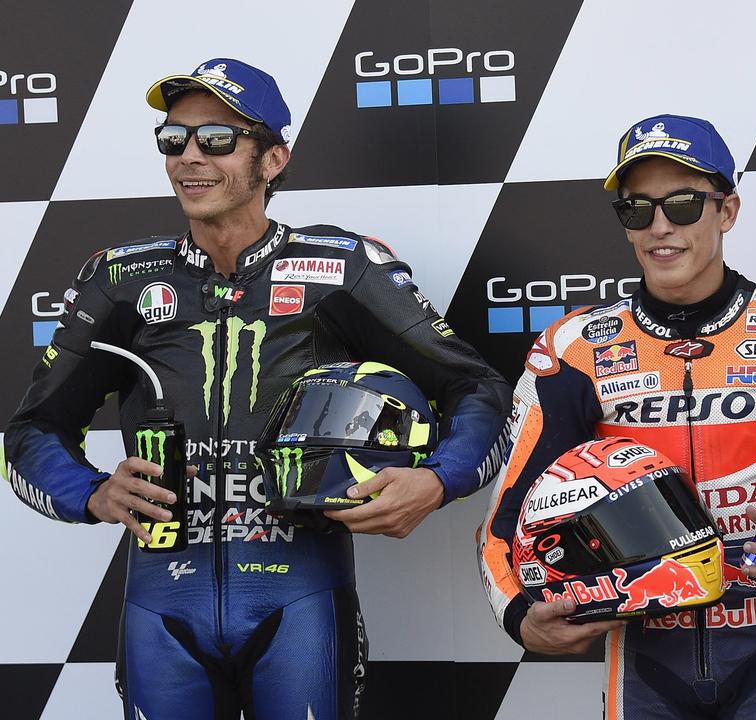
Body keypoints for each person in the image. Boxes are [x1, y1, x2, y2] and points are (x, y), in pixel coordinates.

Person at [4, 58, 511, 719]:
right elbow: (31, 431)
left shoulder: (341, 269)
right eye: (173, 139)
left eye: (216, 139)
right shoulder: (120, 279)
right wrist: (92, 492)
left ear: (273, 159)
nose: (190, 157)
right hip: (161, 606)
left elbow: (477, 387)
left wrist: (438, 480)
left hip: (301, 604)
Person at [477, 113, 756, 718]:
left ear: (727, 210)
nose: (660, 228)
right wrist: (519, 613)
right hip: (641, 650)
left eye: (683, 205)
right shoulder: (575, 348)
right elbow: (506, 521)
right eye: (637, 210)